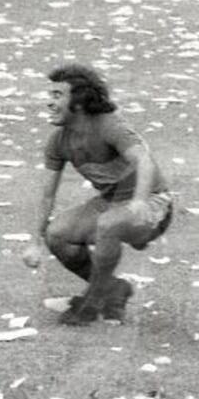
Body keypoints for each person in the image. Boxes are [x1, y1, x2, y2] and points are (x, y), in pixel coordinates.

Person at [22, 64, 174, 326]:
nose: (49, 103)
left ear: (78, 102)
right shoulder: (58, 142)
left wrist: (138, 202)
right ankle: (113, 290)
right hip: (111, 203)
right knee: (57, 234)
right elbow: (47, 195)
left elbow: (144, 161)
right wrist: (35, 241)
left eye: (57, 95)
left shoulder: (109, 126)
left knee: (109, 223)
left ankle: (91, 303)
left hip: (153, 203)